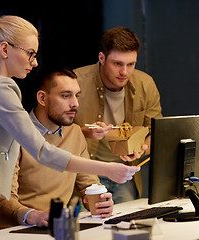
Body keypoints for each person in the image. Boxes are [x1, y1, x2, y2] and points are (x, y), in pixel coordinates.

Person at [0, 16, 139, 239]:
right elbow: (42, 151)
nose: (35, 62)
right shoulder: (1, 87)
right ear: (4, 49)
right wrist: (108, 169)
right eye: (30, 53)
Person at [0, 67, 113, 230]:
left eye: (76, 95)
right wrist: (32, 216)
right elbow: (1, 200)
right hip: (14, 231)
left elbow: (88, 185)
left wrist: (99, 203)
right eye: (65, 95)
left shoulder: (75, 133)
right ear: (42, 98)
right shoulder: (13, 135)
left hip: (54, 228)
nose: (75, 103)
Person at [73, 27, 162, 204]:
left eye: (131, 64)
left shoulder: (145, 84)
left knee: (129, 225)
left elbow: (157, 132)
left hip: (124, 173)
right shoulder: (75, 82)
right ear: (102, 58)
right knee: (87, 229)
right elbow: (54, 133)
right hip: (84, 175)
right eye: (117, 64)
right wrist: (85, 133)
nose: (125, 72)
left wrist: (141, 149)